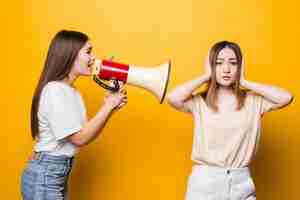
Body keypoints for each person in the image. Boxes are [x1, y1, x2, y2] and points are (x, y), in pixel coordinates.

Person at [166, 41, 293, 200]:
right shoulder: (200, 101)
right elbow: (172, 98)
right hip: (205, 184)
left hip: (241, 183)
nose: (226, 69)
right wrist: (205, 76)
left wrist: (245, 82)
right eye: (218, 63)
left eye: (233, 63)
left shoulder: (253, 100)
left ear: (240, 67)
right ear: (211, 67)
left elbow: (286, 97)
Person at [21, 30, 128, 200]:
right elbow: (79, 139)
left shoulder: (71, 92)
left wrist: (110, 109)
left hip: (54, 174)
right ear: (69, 55)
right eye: (88, 51)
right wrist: (108, 106)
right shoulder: (55, 90)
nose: (93, 58)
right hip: (46, 175)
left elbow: (86, 132)